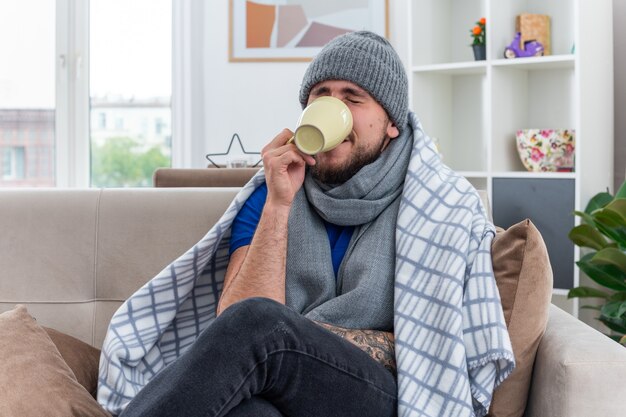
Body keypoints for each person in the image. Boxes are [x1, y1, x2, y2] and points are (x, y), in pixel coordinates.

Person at [112, 31, 513, 417]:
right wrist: (279, 204)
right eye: (320, 95)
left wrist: (296, 335)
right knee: (250, 410)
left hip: (389, 394)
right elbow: (231, 321)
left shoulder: (432, 205)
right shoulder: (272, 193)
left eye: (353, 98)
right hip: (283, 388)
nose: (332, 108)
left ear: (392, 122)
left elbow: (429, 341)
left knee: (262, 326)